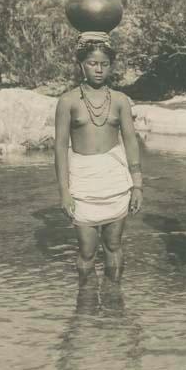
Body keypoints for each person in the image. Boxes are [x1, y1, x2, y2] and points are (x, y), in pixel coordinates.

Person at [55, 31, 143, 287]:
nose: (98, 69)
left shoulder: (120, 101)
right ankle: (85, 308)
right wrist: (64, 192)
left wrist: (137, 185)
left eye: (104, 64)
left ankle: (115, 300)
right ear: (81, 64)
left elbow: (131, 142)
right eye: (93, 63)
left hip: (116, 181)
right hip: (82, 182)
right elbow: (60, 149)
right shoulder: (68, 101)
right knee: (86, 250)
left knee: (114, 245)